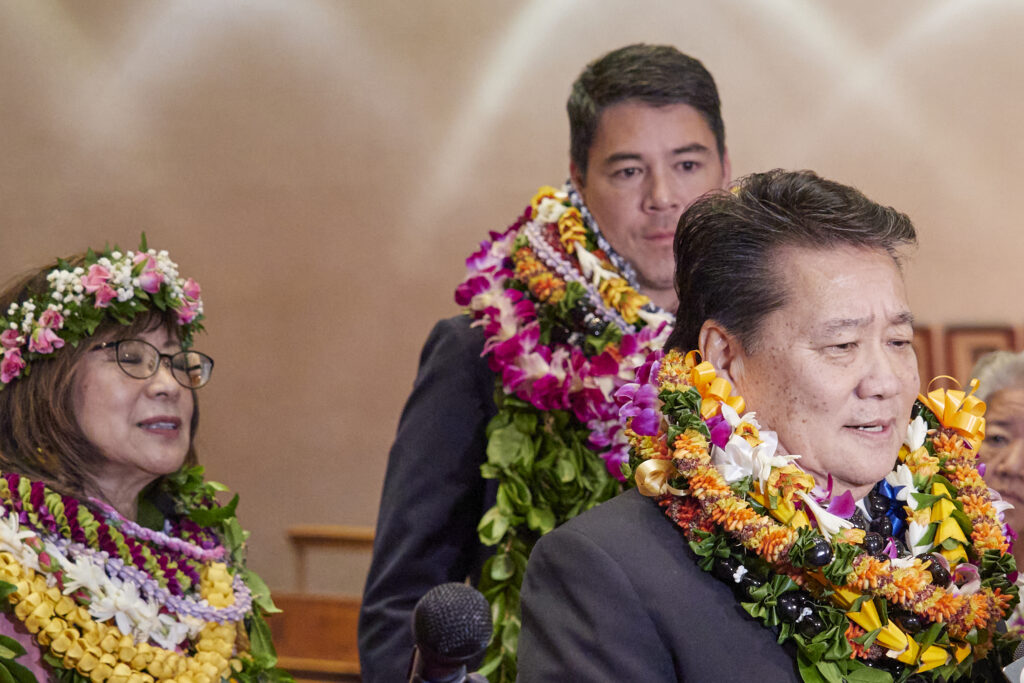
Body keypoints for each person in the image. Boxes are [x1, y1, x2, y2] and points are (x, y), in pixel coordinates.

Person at [518, 170, 1020, 681]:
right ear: (726, 357)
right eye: (841, 346)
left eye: (897, 341)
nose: (887, 383)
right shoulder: (607, 571)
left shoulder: (951, 541)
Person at [359, 44, 731, 682]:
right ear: (577, 179)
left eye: (687, 163)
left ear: (725, 169)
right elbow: (403, 605)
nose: (663, 197)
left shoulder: (766, 342)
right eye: (627, 171)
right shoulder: (486, 348)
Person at [0, 241, 289, 682]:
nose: (169, 385)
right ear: (47, 383)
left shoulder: (207, 563)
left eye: (177, 361)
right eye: (131, 357)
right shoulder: (12, 557)